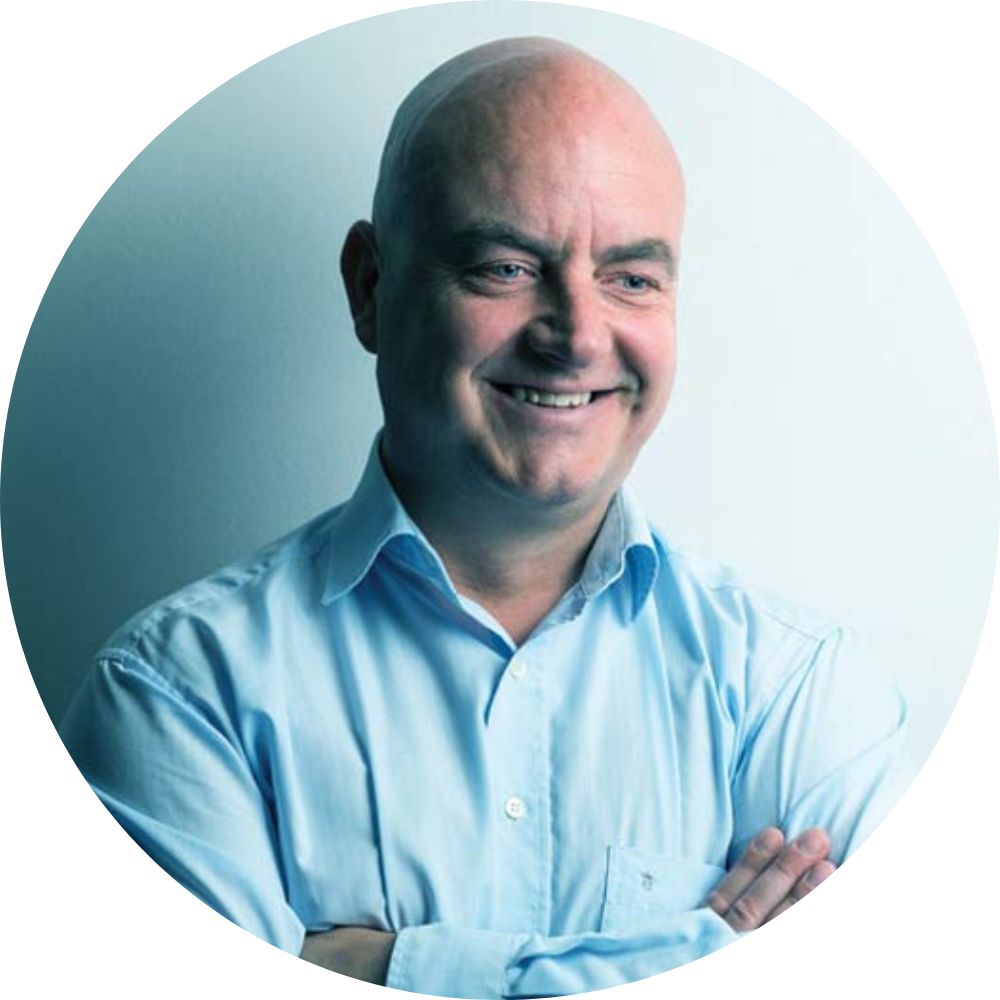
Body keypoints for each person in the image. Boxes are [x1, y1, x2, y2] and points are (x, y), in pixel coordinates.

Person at [58, 36, 908, 994]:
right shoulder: (177, 695)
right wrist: (699, 942)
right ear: (371, 288)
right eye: (505, 267)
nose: (576, 336)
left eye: (631, 277)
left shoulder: (796, 688)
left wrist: (378, 964)